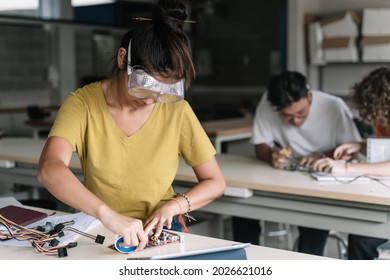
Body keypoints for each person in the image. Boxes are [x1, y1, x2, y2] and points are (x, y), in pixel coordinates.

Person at [37, 0, 225, 252]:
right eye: (144, 87)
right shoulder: (83, 104)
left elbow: (215, 182)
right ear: (123, 58)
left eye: (164, 91)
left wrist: (175, 205)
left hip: (159, 228)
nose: (151, 100)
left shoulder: (176, 110)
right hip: (100, 226)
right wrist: (107, 214)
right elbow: (50, 169)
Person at [232, 71, 362, 256]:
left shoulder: (334, 106)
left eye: (301, 113)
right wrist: (271, 155)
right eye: (287, 116)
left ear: (309, 96)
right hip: (285, 176)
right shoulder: (268, 102)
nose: (296, 121)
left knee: (313, 220)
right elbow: (260, 146)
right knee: (242, 206)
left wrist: (321, 156)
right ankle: (243, 265)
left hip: (320, 182)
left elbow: (353, 149)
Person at [313, 67, 390, 259]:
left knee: (362, 240)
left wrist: (346, 167)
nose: (377, 120)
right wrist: (359, 146)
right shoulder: (382, 120)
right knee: (360, 238)